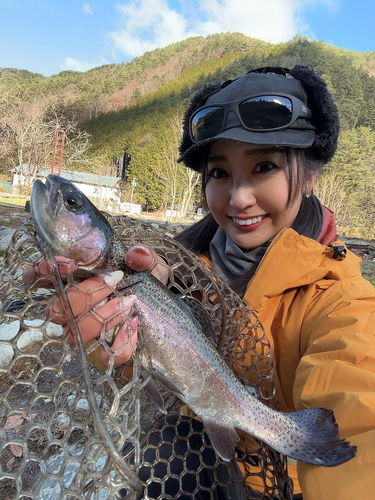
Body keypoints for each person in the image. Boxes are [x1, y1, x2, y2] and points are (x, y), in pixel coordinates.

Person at [33, 65, 375, 499]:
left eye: (264, 166)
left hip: (281, 486)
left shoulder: (345, 303)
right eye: (219, 173)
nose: (238, 198)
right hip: (195, 456)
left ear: (310, 176)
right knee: (164, 452)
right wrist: (120, 359)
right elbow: (160, 390)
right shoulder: (167, 268)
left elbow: (363, 420)